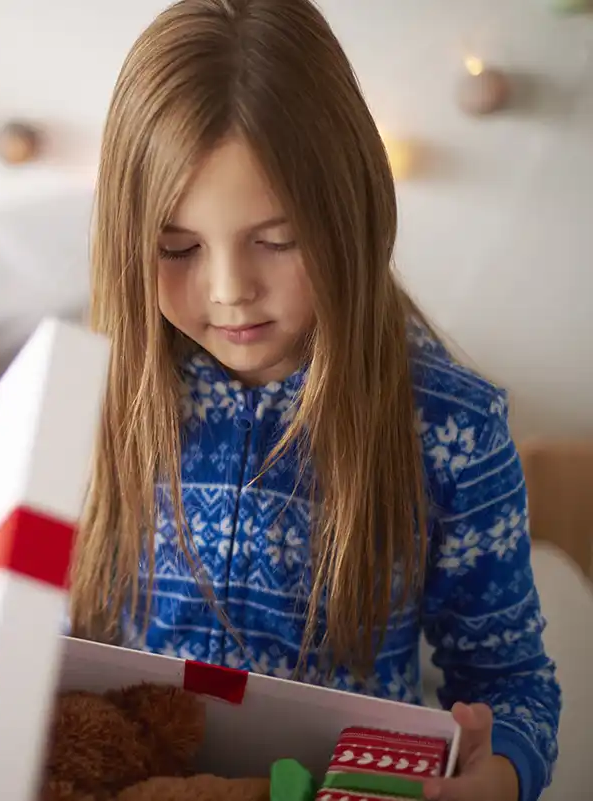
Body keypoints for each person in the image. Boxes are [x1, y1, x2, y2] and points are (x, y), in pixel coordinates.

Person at [67, 2, 561, 800]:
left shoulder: (453, 431)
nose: (229, 291)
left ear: (351, 210)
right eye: (177, 248)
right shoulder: (96, 391)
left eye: (276, 238)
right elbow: (64, 646)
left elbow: (512, 681)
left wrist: (499, 773)